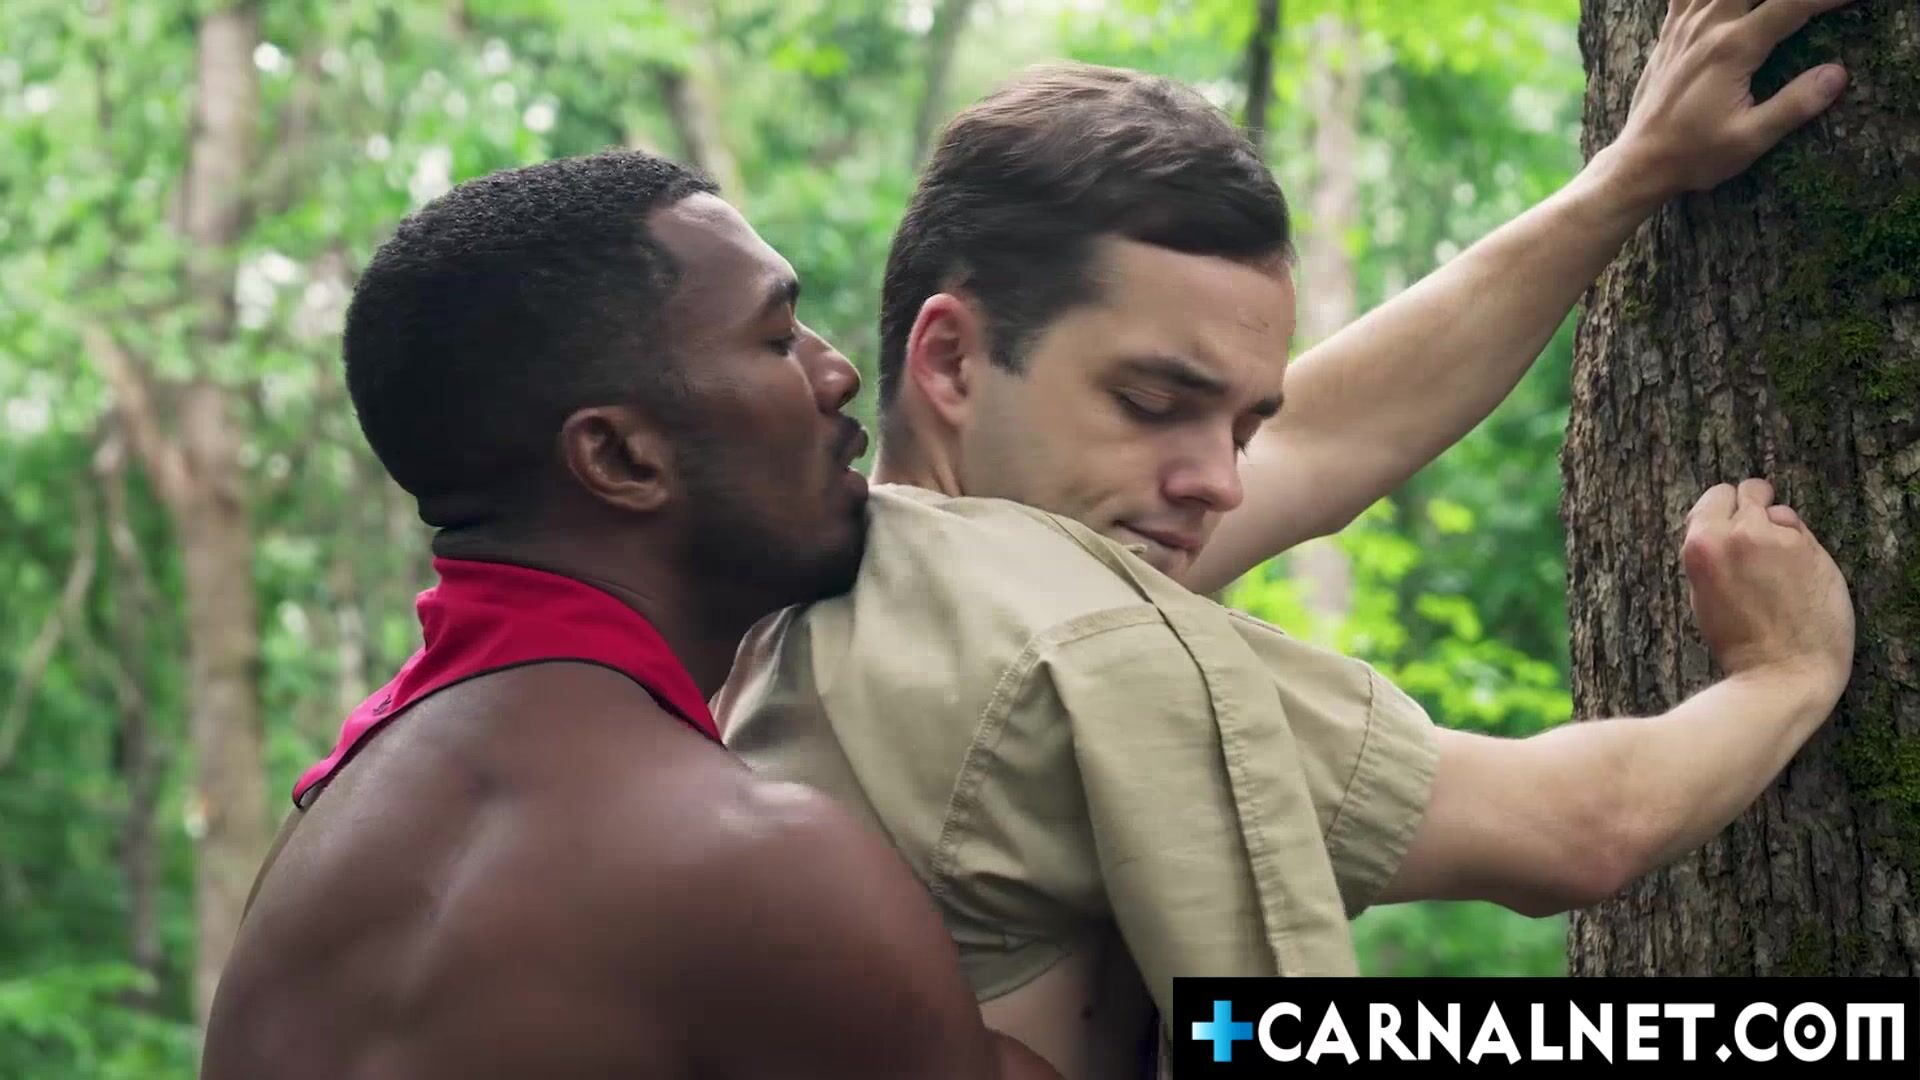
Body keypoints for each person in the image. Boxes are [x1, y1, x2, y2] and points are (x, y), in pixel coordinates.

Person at [716, 2, 1859, 1076]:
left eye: (1237, 423)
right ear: (954, 361)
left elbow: (1323, 437)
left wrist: (1631, 175)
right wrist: (1786, 671)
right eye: (1152, 401)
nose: (1219, 480)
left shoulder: (864, 582)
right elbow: (1580, 830)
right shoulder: (1082, 650)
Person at [200, 151, 1059, 1079]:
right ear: (618, 457)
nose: (837, 372)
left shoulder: (323, 840)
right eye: (778, 340)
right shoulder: (750, 863)